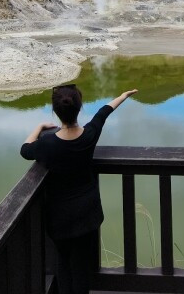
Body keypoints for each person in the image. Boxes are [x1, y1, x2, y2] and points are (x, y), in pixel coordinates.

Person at [20, 83, 137, 294]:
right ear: (79, 107)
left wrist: (38, 128)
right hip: (87, 212)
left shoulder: (47, 144)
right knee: (81, 265)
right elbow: (104, 112)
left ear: (55, 111)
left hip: (59, 216)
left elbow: (25, 150)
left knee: (63, 263)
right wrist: (123, 95)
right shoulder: (89, 134)